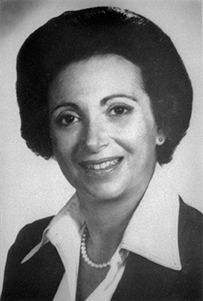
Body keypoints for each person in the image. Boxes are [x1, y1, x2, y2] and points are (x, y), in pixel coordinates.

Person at [1, 6, 202, 301]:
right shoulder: (28, 250)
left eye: (118, 110)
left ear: (162, 121)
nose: (93, 141)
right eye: (68, 118)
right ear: (48, 135)